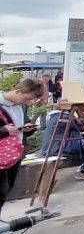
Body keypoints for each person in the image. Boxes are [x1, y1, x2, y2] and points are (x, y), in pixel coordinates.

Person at [0, 79, 42, 216]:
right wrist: (4, 131)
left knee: (8, 188)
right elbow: (7, 129)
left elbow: (22, 122)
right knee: (2, 189)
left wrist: (28, 128)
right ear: (18, 91)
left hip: (15, 153)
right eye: (26, 98)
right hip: (2, 153)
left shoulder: (21, 106)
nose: (27, 102)